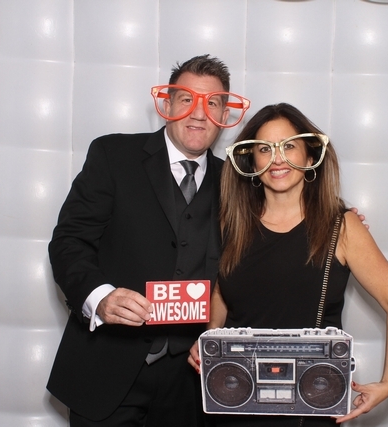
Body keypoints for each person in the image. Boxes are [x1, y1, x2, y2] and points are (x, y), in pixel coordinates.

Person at [46, 54, 250, 426]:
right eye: (187, 99)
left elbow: (273, 232)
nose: (199, 113)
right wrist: (100, 298)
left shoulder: (237, 183)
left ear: (224, 114)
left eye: (212, 103)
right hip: (107, 369)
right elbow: (69, 241)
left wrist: (339, 219)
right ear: (167, 105)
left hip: (192, 380)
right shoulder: (113, 155)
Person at [189, 103, 388, 426]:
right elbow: (225, 292)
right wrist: (209, 341)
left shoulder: (342, 227)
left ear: (310, 158)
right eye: (265, 149)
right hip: (236, 401)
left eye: (289, 146)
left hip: (309, 405)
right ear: (252, 162)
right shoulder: (232, 224)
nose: (277, 158)